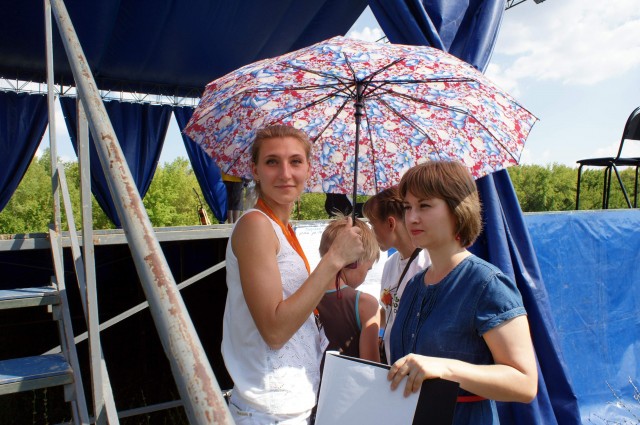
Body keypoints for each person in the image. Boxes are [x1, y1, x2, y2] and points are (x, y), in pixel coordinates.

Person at [222, 124, 364, 425]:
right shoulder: (256, 225)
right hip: (268, 411)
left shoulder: (282, 228)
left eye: (295, 161)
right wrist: (335, 258)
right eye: (272, 161)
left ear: (308, 169)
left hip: (288, 406)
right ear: (255, 170)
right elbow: (274, 331)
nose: (285, 173)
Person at [387, 161, 538, 424]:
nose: (411, 218)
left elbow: (525, 383)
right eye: (407, 207)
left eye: (424, 205)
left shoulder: (487, 284)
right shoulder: (414, 285)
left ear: (457, 209)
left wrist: (446, 368)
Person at [362, 185, 431, 364]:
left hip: (418, 368)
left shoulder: (428, 263)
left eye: (372, 224)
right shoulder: (390, 265)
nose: (372, 232)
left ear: (390, 223)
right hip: (393, 366)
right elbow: (389, 312)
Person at [316, 215, 381, 362]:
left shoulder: (303, 295)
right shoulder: (365, 304)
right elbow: (370, 366)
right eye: (368, 269)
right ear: (354, 261)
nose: (365, 276)